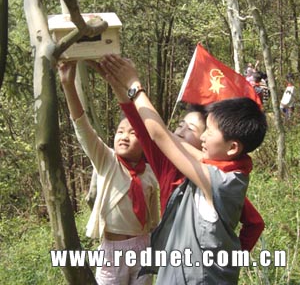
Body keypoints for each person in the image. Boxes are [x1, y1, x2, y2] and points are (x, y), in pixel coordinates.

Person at [100, 55, 268, 284]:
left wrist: (135, 87)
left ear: (231, 147)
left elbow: (159, 134)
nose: (178, 133)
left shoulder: (219, 180)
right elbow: (156, 134)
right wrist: (118, 83)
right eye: (179, 125)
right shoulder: (226, 171)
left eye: (199, 130)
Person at [58, 62, 159, 285]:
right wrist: (67, 85)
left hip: (143, 246)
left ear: (145, 142)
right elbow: (83, 127)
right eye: (120, 131)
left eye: (133, 133)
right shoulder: (107, 160)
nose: (124, 136)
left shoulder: (150, 173)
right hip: (112, 250)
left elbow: (153, 221)